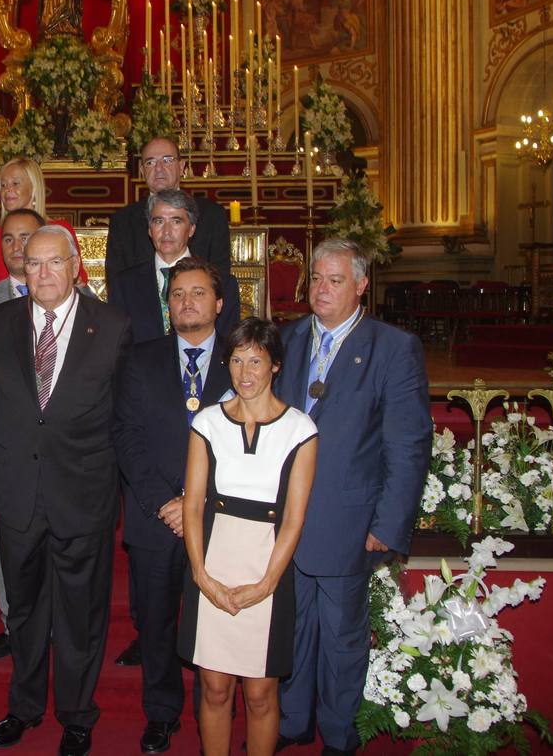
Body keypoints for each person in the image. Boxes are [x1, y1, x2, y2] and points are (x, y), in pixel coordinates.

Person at [273, 239, 430, 755]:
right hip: (286, 522)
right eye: (316, 278)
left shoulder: (392, 347)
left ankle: (339, 736)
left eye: (335, 280)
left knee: (341, 639)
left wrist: (387, 525)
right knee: (291, 631)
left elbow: (408, 445)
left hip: (348, 520)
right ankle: (293, 723)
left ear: (362, 285)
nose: (321, 289)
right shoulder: (288, 339)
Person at [0, 226, 132, 756]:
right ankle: (22, 707)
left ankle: (76, 714)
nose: (41, 273)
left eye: (52, 263)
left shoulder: (111, 326)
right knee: (22, 612)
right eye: (32, 263)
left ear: (74, 266)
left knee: (79, 614)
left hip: (83, 494)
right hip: (18, 491)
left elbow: (124, 417)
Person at [113, 256, 235, 754]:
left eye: (198, 292)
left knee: (216, 623)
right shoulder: (139, 359)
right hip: (155, 517)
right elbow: (127, 435)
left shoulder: (242, 360)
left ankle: (221, 706)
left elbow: (253, 441)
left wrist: (197, 502)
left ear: (219, 302)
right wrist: (167, 501)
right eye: (178, 294)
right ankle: (162, 714)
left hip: (222, 520)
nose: (187, 302)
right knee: (157, 623)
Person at [180, 317, 317, 756]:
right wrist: (201, 576)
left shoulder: (301, 429)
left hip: (267, 570)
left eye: (256, 361)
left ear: (275, 365)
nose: (245, 372)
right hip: (213, 563)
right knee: (215, 689)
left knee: (261, 695)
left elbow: (294, 518)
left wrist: (266, 584)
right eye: (237, 360)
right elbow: (193, 503)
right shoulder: (207, 423)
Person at [109, 188, 242, 346]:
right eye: (158, 221)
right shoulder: (124, 286)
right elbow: (118, 347)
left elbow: (226, 347)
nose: (166, 231)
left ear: (191, 229)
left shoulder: (224, 284)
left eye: (176, 221)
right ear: (149, 229)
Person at [106, 137, 232, 294]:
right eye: (150, 162)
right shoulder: (123, 221)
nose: (159, 168)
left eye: (167, 160)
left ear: (181, 166)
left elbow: (220, 280)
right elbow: (117, 285)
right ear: (142, 171)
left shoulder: (211, 215)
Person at [0, 157, 88, 291]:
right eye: (3, 185)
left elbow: (79, 278)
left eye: (15, 183)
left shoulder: (59, 230)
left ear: (34, 187)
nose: (7, 190)